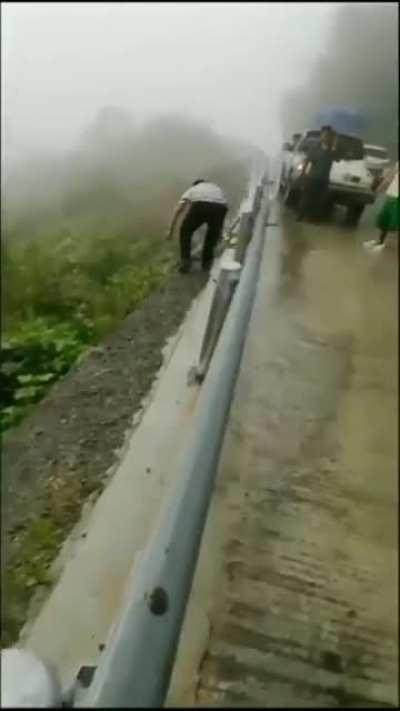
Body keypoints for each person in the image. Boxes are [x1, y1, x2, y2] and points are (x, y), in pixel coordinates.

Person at [166, 179, 228, 273]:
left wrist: (170, 230)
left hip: (200, 206)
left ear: (195, 185)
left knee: (185, 231)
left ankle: (185, 262)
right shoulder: (216, 187)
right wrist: (219, 232)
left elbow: (179, 210)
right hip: (220, 208)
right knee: (211, 237)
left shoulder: (193, 189)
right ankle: (206, 264)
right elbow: (223, 205)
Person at [297, 125, 339, 222]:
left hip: (324, 178)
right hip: (312, 177)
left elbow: (337, 159)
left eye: (328, 135)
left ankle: (313, 217)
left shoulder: (331, 150)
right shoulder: (315, 147)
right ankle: (301, 215)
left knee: (319, 200)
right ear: (321, 135)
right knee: (306, 197)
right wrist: (303, 174)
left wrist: (334, 145)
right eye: (324, 135)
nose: (325, 137)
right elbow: (307, 161)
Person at [364, 162, 399, 252]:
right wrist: (379, 189)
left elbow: (389, 178)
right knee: (384, 220)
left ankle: (384, 245)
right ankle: (380, 242)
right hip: (391, 196)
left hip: (397, 198)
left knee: (394, 222)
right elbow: (389, 178)